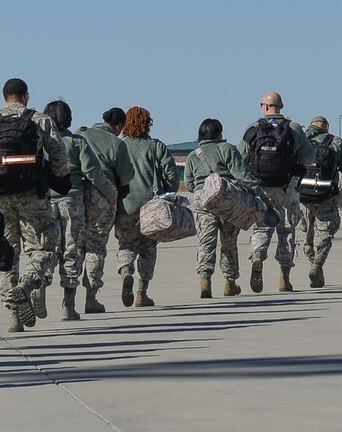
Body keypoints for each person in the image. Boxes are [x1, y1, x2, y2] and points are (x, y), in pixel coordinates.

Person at [0, 79, 71, 332]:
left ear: (4, 96)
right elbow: (61, 160)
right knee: (46, 242)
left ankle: (13, 316)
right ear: (25, 96)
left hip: (1, 198)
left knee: (6, 251)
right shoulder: (40, 120)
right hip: (33, 195)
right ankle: (29, 281)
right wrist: (54, 178)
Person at [42, 100, 110, 320]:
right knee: (72, 250)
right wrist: (111, 195)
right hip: (72, 201)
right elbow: (93, 172)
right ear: (68, 118)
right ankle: (68, 305)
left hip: (45, 202)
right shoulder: (77, 142)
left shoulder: (40, 142)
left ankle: (39, 291)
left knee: (45, 250)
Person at [243, 92, 315, 293]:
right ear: (281, 106)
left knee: (261, 227)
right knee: (287, 229)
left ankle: (258, 255)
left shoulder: (253, 128)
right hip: (288, 185)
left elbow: (241, 158)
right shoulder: (293, 128)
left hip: (261, 186)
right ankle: (284, 278)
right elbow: (308, 158)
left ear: (264, 107)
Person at [113, 106, 180, 307]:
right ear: (148, 123)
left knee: (126, 243)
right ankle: (142, 292)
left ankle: (126, 270)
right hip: (151, 205)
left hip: (125, 205)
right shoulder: (155, 146)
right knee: (148, 247)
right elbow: (171, 173)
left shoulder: (119, 145)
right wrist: (170, 191)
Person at [183, 117, 256, 297]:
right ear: (219, 133)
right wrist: (258, 193)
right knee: (228, 242)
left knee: (206, 241)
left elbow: (189, 183)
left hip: (203, 200)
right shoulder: (228, 149)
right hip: (227, 200)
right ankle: (230, 282)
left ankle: (205, 279)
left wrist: (203, 190)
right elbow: (242, 175)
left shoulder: (194, 155)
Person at [76, 108, 128, 313]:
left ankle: (68, 299)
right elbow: (125, 176)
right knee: (96, 245)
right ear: (118, 126)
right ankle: (91, 297)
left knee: (74, 245)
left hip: (78, 194)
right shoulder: (117, 143)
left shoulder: (81, 134)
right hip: (103, 196)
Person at [297, 115, 342, 286]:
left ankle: (312, 264)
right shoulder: (335, 142)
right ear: (327, 127)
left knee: (308, 232)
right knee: (325, 231)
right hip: (325, 194)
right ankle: (318, 263)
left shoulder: (299, 140)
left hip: (302, 195)